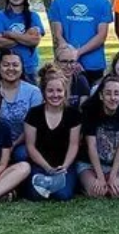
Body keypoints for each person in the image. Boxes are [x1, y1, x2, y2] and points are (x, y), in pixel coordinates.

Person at [48, 0, 113, 84]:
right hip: (65, 66)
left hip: (93, 65)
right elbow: (58, 35)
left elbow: (101, 36)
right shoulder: (59, 1)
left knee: (92, 103)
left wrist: (77, 53)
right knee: (64, 101)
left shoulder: (102, 1)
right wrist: (70, 58)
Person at [22, 68, 82, 201]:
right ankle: (45, 181)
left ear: (65, 92)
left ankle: (53, 183)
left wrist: (64, 167)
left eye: (59, 91)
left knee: (62, 195)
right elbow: (30, 146)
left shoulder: (73, 115)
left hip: (64, 165)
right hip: (41, 164)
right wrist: (47, 168)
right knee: (34, 195)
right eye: (50, 91)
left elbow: (74, 145)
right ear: (43, 92)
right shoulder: (34, 114)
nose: (55, 95)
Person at [77, 77, 119, 198]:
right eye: (108, 93)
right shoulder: (90, 111)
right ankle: (82, 182)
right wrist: (100, 178)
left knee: (117, 193)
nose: (113, 98)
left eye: (116, 93)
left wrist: (112, 176)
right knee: (97, 192)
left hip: (113, 164)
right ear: (101, 96)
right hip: (89, 163)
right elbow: (92, 146)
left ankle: (113, 178)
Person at [0, 0, 46, 82]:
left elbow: (34, 40)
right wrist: (25, 37)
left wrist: (10, 34)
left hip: (29, 68)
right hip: (6, 69)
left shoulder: (34, 16)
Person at [0, 50, 43, 162]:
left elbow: (33, 126)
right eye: (6, 65)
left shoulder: (33, 92)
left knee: (22, 154)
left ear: (22, 67)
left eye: (15, 65)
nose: (11, 68)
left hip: (24, 142)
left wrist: (13, 145)